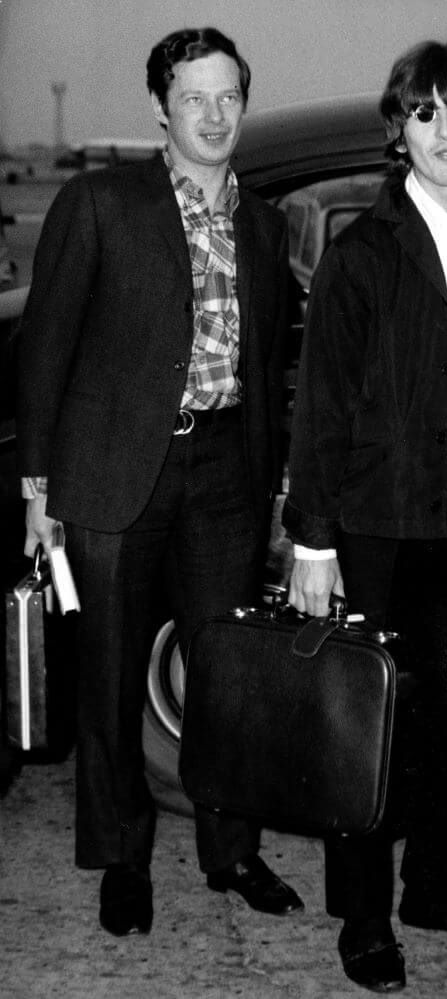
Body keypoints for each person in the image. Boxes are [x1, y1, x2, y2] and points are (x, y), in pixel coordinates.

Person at [17, 27, 301, 937]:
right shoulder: (100, 202)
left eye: (229, 98)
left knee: (226, 675)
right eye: (194, 99)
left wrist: (274, 487)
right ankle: (120, 859)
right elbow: (45, 349)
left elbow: (266, 364)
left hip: (226, 472)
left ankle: (231, 849)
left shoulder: (263, 222)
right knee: (107, 679)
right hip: (110, 471)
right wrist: (37, 489)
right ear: (159, 109)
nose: (214, 117)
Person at [282, 41, 447, 993]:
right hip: (380, 516)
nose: (446, 131)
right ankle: (365, 918)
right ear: (401, 130)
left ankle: (436, 889)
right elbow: (322, 407)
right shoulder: (364, 252)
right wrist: (313, 539)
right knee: (368, 725)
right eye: (426, 113)